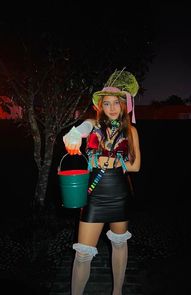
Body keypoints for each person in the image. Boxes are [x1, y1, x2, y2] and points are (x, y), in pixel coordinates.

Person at [63, 69, 141, 295]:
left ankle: (117, 292)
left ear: (124, 104)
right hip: (95, 195)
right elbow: (81, 130)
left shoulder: (131, 131)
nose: (112, 108)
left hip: (119, 193)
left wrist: (116, 163)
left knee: (119, 244)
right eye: (106, 104)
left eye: (116, 103)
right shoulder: (93, 125)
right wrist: (74, 135)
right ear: (100, 107)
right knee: (83, 253)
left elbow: (135, 166)